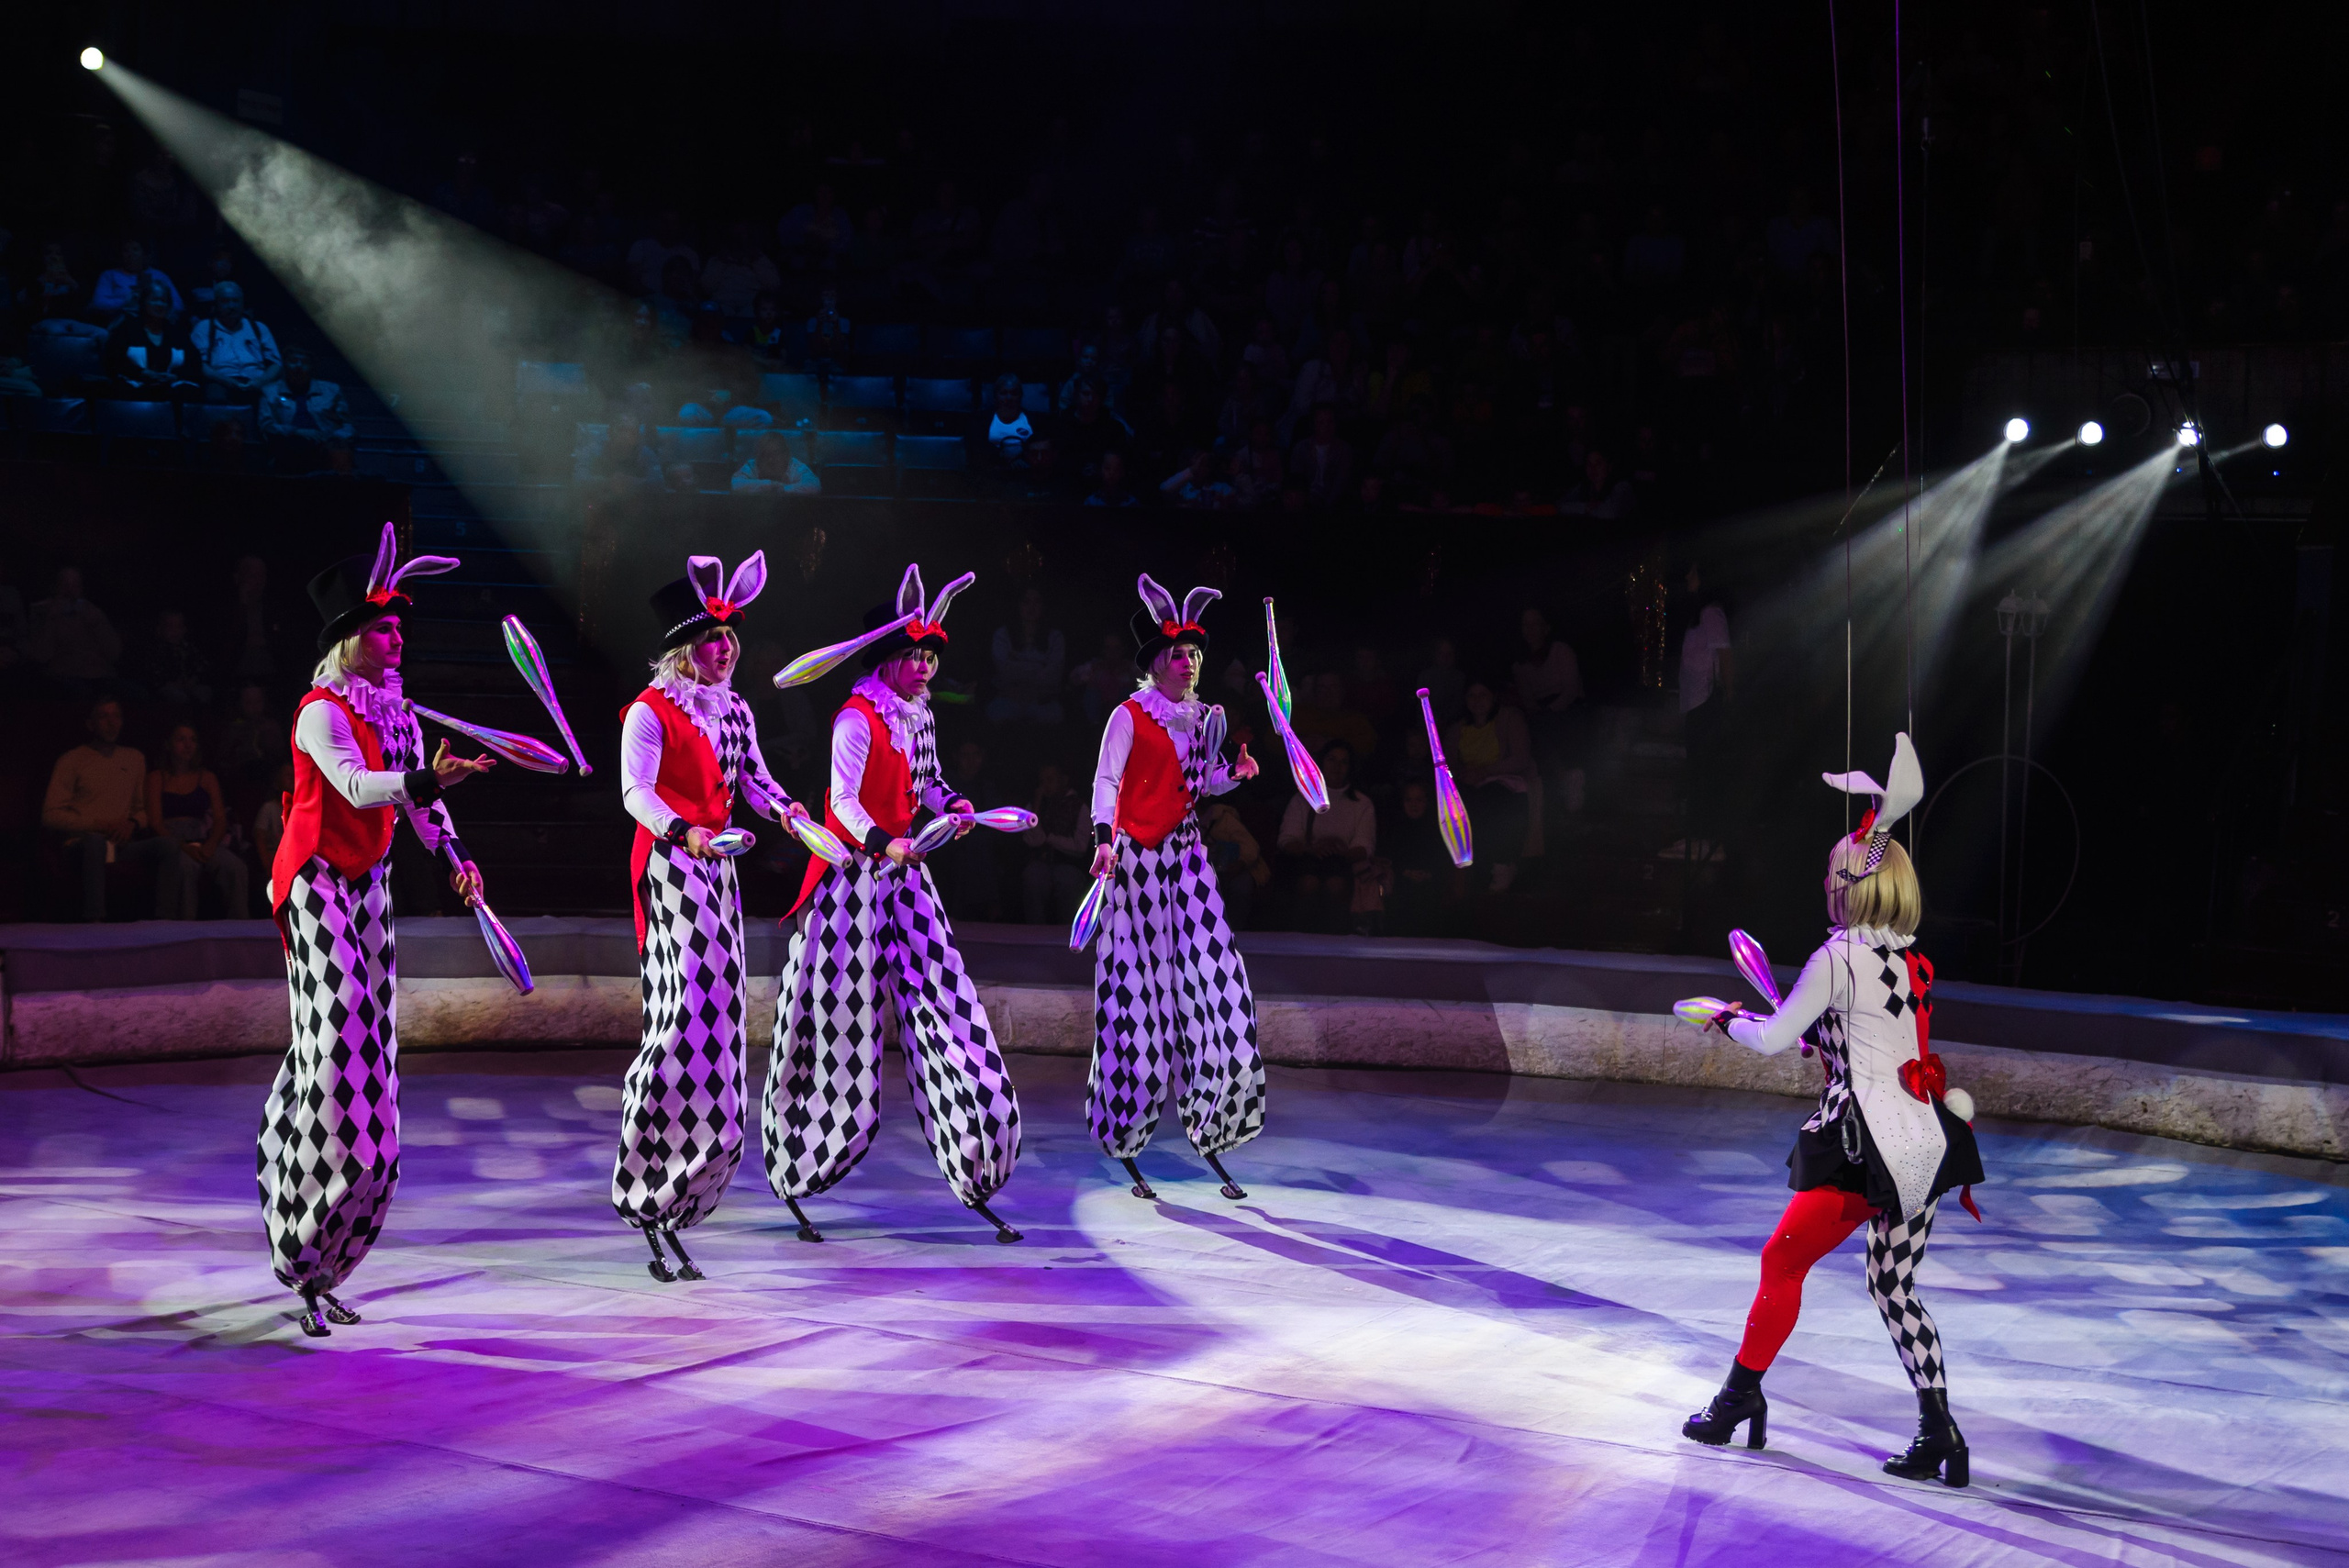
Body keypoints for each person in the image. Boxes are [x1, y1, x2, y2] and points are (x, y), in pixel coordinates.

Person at [1678, 735, 1986, 1486]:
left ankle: (1736, 1397)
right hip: (1927, 1141)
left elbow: (1773, 1040)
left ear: (1852, 882)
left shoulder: (1836, 957)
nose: (1825, 880)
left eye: (1831, 871)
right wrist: (1807, 1023)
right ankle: (1941, 1431)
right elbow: (1865, 1036)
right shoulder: (1908, 958)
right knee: (1896, 1288)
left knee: (1782, 1260)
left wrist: (1723, 1016)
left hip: (1868, 1144)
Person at [260, 524, 494, 1339]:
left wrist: (456, 853)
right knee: (338, 1038)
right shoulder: (318, 713)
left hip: (369, 883)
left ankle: (331, 1250)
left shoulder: (392, 707)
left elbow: (419, 806)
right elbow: (361, 788)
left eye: (400, 627)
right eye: (383, 627)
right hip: (315, 881)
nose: (397, 638)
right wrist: (432, 775)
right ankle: (296, 1211)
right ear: (346, 639)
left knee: (371, 1051)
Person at [763, 564, 1025, 1242]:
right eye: (913, 654)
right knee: (838, 1022)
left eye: (931, 655)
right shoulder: (855, 719)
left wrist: (954, 805)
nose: (925, 665)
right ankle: (803, 1158)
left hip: (906, 876)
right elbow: (844, 805)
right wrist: (888, 842)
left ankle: (977, 1148)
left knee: (946, 998)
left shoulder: (920, 715)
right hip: (851, 877)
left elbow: (929, 782)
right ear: (887, 658)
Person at [613, 553, 808, 1284]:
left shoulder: (734, 708)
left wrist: (790, 813)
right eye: (710, 637)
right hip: (670, 867)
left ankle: (694, 1170)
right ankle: (645, 1167)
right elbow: (635, 792)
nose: (725, 648)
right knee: (682, 1016)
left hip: (716, 869)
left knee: (722, 1019)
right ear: (680, 647)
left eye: (730, 635)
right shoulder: (649, 708)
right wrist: (685, 832)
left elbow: (753, 779)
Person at [1085, 577, 1264, 1200]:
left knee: (1217, 987)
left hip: (1186, 863)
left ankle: (1214, 1122)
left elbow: (1199, 785)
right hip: (1134, 862)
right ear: (1158, 661)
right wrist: (1104, 838)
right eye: (1180, 653)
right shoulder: (1129, 715)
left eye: (1196, 654)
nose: (1190, 662)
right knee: (1139, 1005)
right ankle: (1126, 1130)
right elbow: (1107, 781)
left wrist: (1231, 774)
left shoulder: (1202, 718)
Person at [42, 696, 181, 920]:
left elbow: (142, 809)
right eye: (103, 716)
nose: (111, 722)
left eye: (116, 716)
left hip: (119, 844)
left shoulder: (134, 758)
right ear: (90, 724)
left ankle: (165, 921)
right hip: (82, 844)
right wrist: (99, 826)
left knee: (168, 845)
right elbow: (50, 815)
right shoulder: (72, 760)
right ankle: (95, 921)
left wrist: (132, 824)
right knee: (95, 842)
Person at [148, 723, 250, 919]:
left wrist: (211, 845)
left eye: (192, 740)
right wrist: (183, 847)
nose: (188, 745)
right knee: (185, 868)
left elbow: (220, 819)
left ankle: (239, 925)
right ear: (169, 744)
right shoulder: (156, 777)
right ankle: (187, 929)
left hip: (202, 838)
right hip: (172, 842)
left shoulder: (207, 777)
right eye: (181, 739)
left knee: (235, 867)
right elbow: (156, 822)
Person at [1446, 681, 1537, 892]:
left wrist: (1485, 772)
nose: (1477, 701)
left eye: (1483, 695)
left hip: (1504, 781)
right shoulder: (1457, 728)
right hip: (1467, 781)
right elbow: (1448, 761)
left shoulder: (1509, 719)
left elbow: (1520, 757)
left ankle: (1502, 863)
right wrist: (1463, 773)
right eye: (1472, 695)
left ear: (1493, 697)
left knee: (1492, 802)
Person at [1275, 741, 1375, 931]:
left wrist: (1339, 850)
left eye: (1343, 762)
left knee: (1335, 885)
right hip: (1306, 861)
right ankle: (1299, 941)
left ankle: (1335, 943)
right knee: (1308, 884)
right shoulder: (1302, 799)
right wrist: (1311, 849)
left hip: (1343, 865)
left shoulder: (1362, 804)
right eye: (1332, 760)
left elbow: (1365, 846)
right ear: (1321, 763)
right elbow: (1287, 839)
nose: (1337, 766)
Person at [1675, 565, 1735, 861]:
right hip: (1695, 704)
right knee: (1698, 772)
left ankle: (1706, 841)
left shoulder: (1712, 613)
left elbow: (1725, 655)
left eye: (1693, 573)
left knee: (1704, 773)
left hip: (1707, 702)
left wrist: (1728, 699)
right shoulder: (1698, 616)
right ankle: (1700, 838)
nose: (1687, 577)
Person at [28, 566, 122, 695]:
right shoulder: (43, 612)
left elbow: (115, 654)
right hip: (64, 677)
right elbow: (41, 657)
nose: (70, 591)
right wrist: (50, 620)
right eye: (65, 585)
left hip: (101, 677)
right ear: (55, 587)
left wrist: (98, 624)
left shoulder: (94, 612)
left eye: (75, 585)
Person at [1020, 760, 1091, 923]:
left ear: (1063, 780)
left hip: (1069, 864)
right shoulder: (1036, 804)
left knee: (1067, 880)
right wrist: (1037, 805)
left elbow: (1080, 846)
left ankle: (1067, 933)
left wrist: (1050, 839)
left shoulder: (1079, 806)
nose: (1045, 785)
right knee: (1033, 877)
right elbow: (1032, 840)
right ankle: (1035, 932)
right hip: (1041, 863)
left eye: (1050, 780)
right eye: (1042, 781)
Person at [260, 352, 355, 470]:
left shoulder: (331, 390)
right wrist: (296, 431)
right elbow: (266, 425)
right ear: (285, 365)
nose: (298, 365)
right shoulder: (270, 392)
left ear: (311, 366)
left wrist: (332, 438)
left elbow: (347, 424)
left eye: (304, 362)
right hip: (288, 447)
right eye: (293, 361)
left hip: (326, 447)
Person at [103, 281, 200, 397]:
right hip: (134, 386)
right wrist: (141, 373)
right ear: (143, 303)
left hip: (171, 388)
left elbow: (194, 363)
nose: (159, 304)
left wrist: (175, 376)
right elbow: (112, 360)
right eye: (154, 300)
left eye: (163, 301)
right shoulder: (127, 328)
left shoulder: (177, 332)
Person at [189, 283, 283, 402]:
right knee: (214, 393)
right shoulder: (204, 327)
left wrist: (261, 381)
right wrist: (228, 381)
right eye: (225, 301)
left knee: (275, 395)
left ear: (242, 303)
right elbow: (200, 365)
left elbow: (276, 363)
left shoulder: (258, 328)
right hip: (220, 381)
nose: (231, 306)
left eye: (235, 301)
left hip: (257, 381)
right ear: (216, 304)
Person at [988, 586, 1064, 726]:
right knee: (999, 713)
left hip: (1043, 700)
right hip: (1008, 697)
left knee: (1053, 714)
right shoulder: (1003, 635)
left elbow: (1054, 674)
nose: (1031, 607)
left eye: (1036, 602)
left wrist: (1021, 670)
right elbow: (1004, 670)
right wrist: (1038, 667)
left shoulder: (1055, 637)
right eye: (1026, 602)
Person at [88, 239, 182, 320]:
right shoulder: (110, 275)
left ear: (144, 253)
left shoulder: (159, 275)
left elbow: (178, 305)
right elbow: (98, 303)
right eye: (126, 250)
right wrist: (128, 301)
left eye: (135, 249)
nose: (130, 254)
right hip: (122, 322)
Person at [1287, 406, 1355, 509]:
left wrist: (1327, 507)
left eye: (1330, 422)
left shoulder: (1344, 450)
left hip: (1334, 505)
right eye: (1321, 422)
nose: (1326, 426)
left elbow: (1341, 483)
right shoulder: (1301, 448)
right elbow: (1297, 482)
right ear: (1314, 425)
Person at [729, 433, 820, 495]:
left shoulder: (795, 466)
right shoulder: (752, 465)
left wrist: (783, 489)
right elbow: (735, 484)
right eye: (765, 454)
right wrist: (771, 485)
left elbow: (814, 485)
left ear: (786, 455)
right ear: (758, 456)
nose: (771, 460)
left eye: (776, 453)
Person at [979, 373, 1036, 470]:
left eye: (1014, 393)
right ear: (996, 396)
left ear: (1020, 396)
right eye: (1004, 393)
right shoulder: (982, 420)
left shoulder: (1033, 421)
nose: (1009, 398)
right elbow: (978, 450)